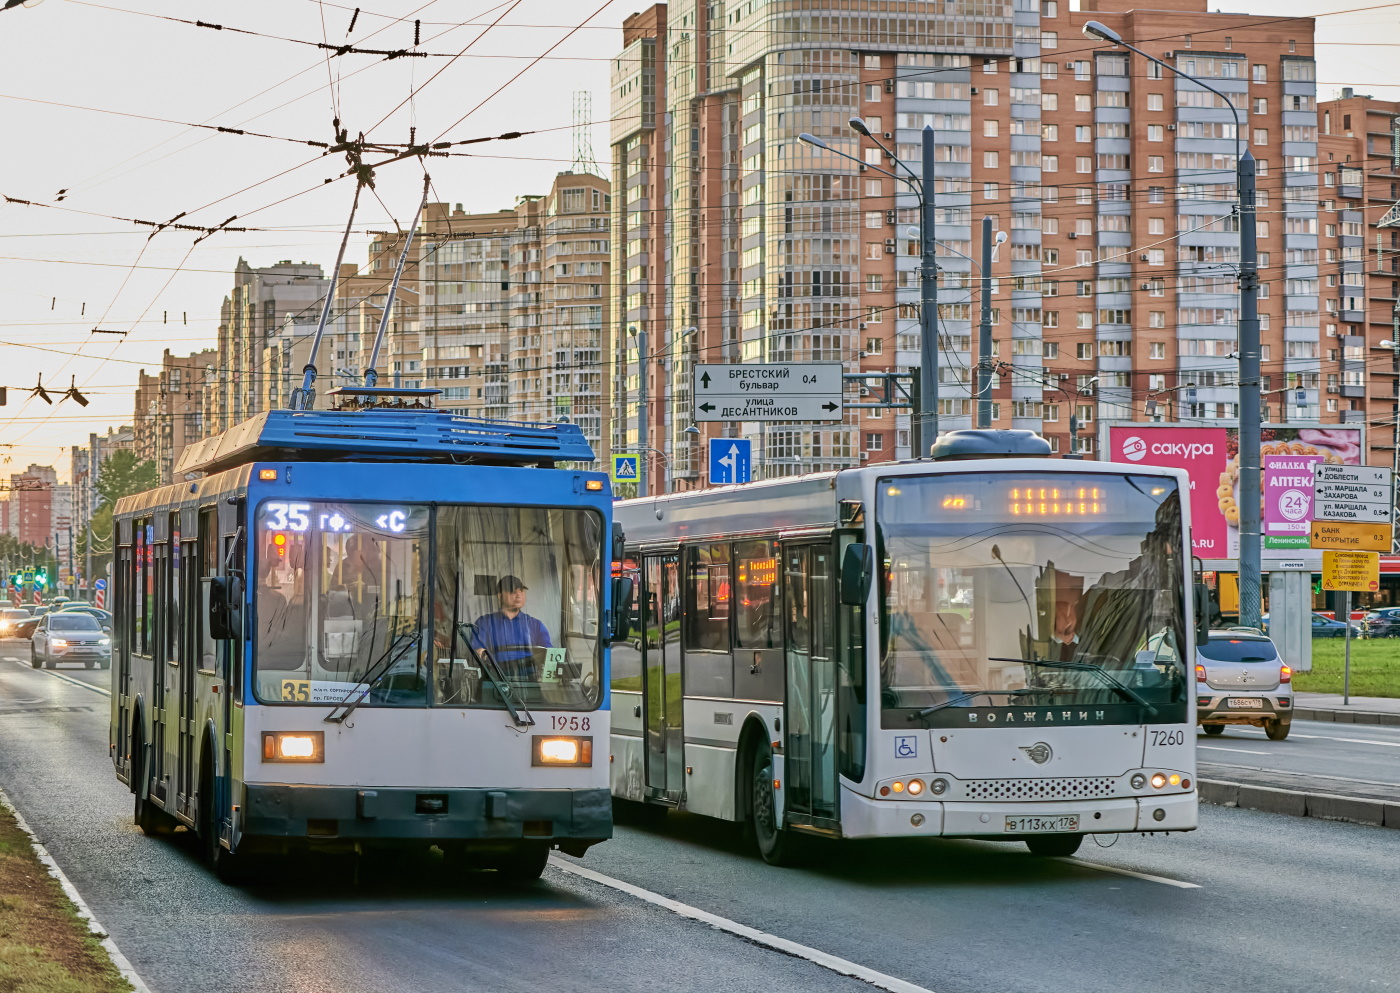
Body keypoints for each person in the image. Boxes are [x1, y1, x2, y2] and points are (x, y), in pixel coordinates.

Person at [470, 575, 552, 680]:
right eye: (513, 592)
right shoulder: (484, 623)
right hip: (495, 680)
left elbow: (549, 654)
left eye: (521, 591)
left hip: (529, 681)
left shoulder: (535, 625)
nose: (518, 596)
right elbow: (477, 653)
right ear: (500, 596)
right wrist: (480, 652)